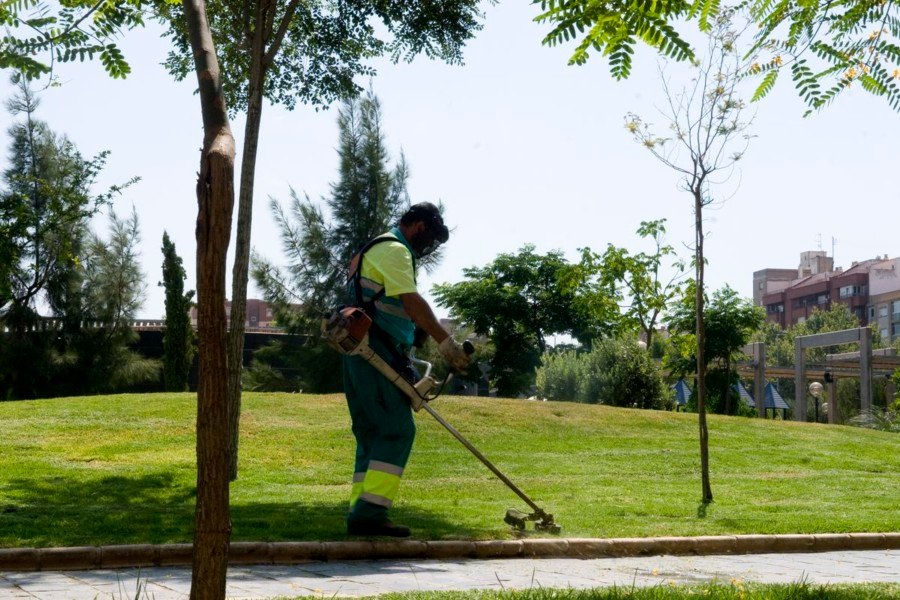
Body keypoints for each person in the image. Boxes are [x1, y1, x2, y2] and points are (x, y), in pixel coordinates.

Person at [343, 202, 471, 537]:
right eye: (429, 237)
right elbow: (412, 303)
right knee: (398, 430)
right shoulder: (396, 250)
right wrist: (447, 344)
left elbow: (385, 303)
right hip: (376, 352)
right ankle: (370, 515)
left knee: (371, 433)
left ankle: (360, 511)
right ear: (416, 224)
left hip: (359, 351)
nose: (428, 246)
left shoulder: (370, 250)